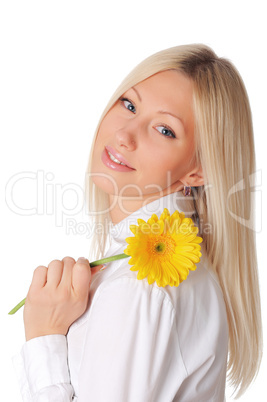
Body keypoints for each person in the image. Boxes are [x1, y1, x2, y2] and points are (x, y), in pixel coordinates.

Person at [13, 44, 262, 401]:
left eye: (164, 129)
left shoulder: (140, 285)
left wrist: (44, 336)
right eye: (129, 105)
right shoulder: (183, 268)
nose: (124, 134)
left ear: (199, 170)